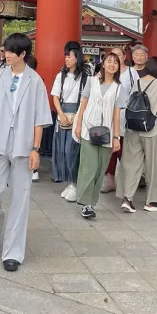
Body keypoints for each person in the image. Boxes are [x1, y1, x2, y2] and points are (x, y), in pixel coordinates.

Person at [0, 33, 52, 272]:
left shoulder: (36, 81)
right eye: (5, 51)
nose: (6, 55)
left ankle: (12, 252)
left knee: (20, 198)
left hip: (23, 143)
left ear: (22, 54)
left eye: (11, 51)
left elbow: (40, 117)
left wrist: (35, 149)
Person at [120, 56, 157, 213]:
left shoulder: (137, 83)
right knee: (153, 166)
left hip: (133, 128)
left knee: (132, 164)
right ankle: (151, 201)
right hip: (151, 130)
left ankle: (127, 198)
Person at [73, 52, 121, 219]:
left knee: (100, 168)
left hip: (107, 133)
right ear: (103, 63)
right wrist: (78, 125)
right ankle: (85, 203)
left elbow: (116, 113)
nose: (112, 64)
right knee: (89, 166)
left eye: (115, 62)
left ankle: (92, 202)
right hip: (88, 128)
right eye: (109, 61)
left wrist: (117, 137)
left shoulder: (118, 87)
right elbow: (83, 103)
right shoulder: (92, 82)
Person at [51, 42, 88, 201]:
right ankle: (70, 182)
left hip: (78, 116)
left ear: (77, 57)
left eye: (69, 56)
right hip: (63, 115)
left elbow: (86, 99)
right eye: (65, 56)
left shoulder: (86, 77)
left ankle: (75, 182)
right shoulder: (61, 75)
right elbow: (55, 96)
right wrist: (61, 114)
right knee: (62, 152)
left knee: (71, 151)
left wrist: (76, 116)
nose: (66, 59)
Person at [101, 46, 126, 194]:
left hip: (124, 119)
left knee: (123, 153)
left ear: (123, 57)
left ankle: (124, 183)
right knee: (109, 154)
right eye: (111, 58)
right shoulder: (97, 79)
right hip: (105, 122)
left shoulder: (131, 73)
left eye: (117, 56)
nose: (113, 61)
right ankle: (110, 181)